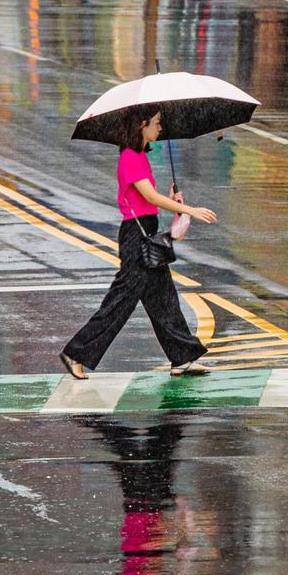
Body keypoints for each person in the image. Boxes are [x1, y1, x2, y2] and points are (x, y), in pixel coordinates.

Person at [60, 107, 216, 380]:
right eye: (156, 123)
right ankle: (76, 352)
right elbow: (150, 198)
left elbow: (150, 198)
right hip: (136, 236)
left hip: (148, 232)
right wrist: (190, 209)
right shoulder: (130, 158)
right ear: (142, 125)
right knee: (121, 301)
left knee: (164, 298)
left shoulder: (141, 156)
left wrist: (172, 199)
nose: (160, 128)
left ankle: (182, 357)